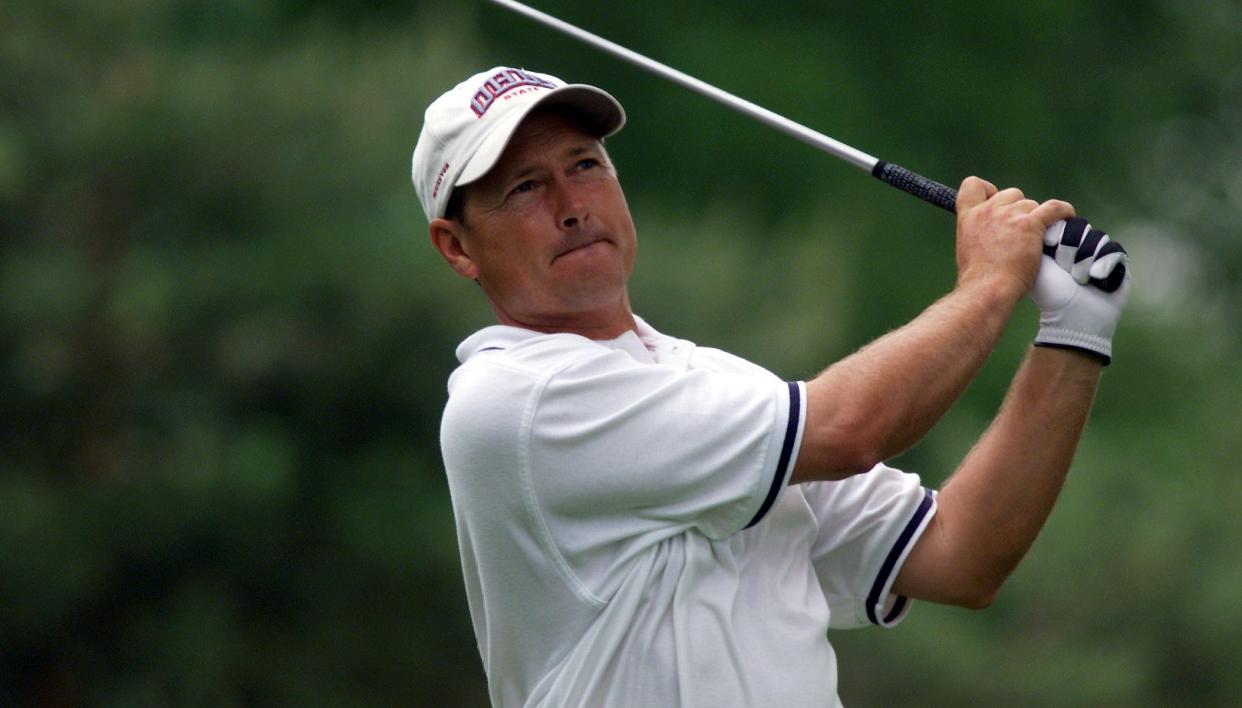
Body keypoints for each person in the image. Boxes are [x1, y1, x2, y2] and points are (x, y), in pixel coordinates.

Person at [412, 66, 1130, 707]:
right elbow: (850, 429)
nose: (573, 204)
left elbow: (960, 554)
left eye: (586, 165)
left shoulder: (719, 385)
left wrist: (1074, 334)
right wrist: (991, 281)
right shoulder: (511, 399)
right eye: (526, 188)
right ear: (457, 246)